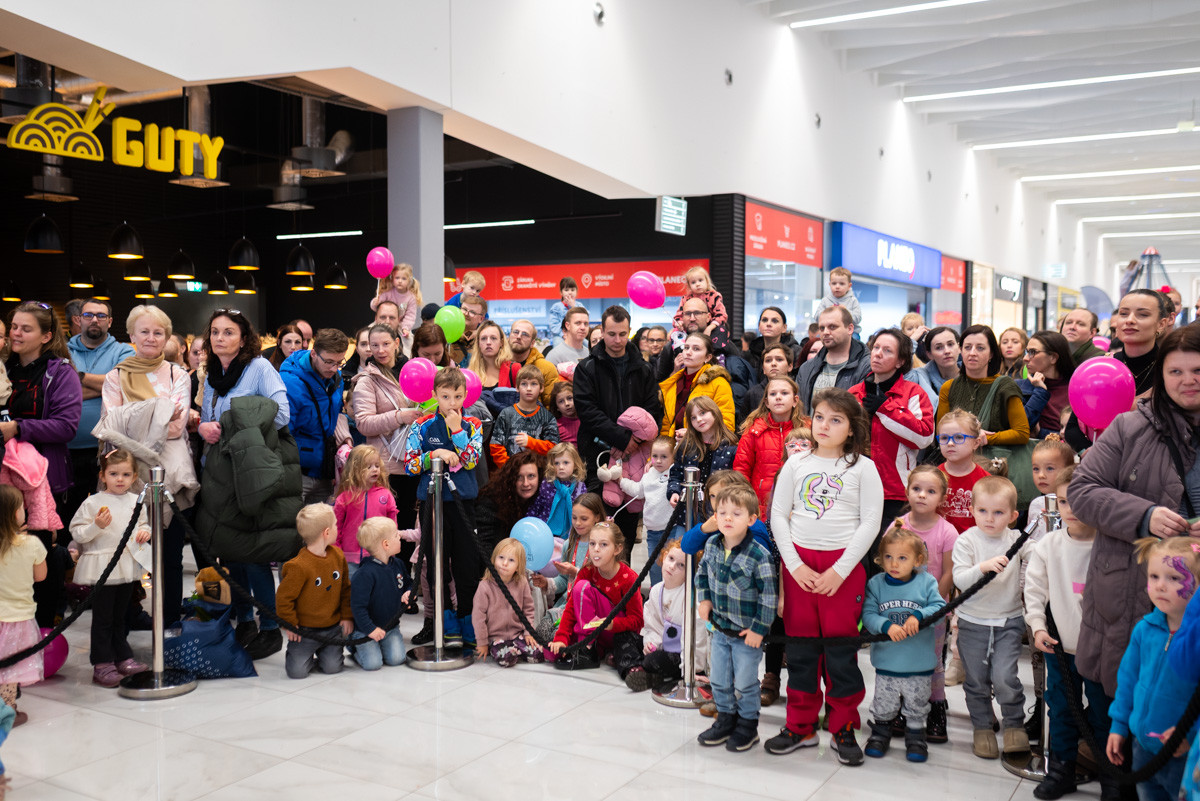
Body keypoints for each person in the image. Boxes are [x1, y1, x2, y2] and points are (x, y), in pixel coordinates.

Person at [1070, 324, 1200, 701]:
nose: (1188, 380)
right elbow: (1082, 490)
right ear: (1161, 375)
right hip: (1131, 593)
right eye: (1176, 371)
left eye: (1197, 370)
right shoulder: (1130, 427)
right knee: (1127, 709)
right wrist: (1145, 516)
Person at [768, 388, 882, 764]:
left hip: (842, 568)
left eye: (835, 420)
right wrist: (794, 565)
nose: (824, 425)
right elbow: (778, 515)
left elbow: (870, 523)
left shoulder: (863, 468)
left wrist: (839, 571)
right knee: (801, 650)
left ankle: (843, 726)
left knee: (840, 652)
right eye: (819, 417)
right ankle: (800, 725)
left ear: (851, 428)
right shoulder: (796, 464)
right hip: (798, 564)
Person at [195, 308, 293, 660]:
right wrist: (203, 427)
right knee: (230, 551)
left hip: (249, 473)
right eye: (215, 332)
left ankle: (270, 628)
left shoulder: (259, 368)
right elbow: (208, 420)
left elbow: (282, 414)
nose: (220, 338)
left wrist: (235, 424)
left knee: (254, 553)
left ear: (244, 338)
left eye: (228, 332)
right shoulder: (211, 374)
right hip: (218, 473)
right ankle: (244, 621)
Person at [98, 304, 198, 628]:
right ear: (131, 335)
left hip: (170, 478)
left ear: (166, 337)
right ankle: (124, 623)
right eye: (144, 331)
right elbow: (110, 426)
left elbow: (176, 427)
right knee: (127, 552)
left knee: (169, 556)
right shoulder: (115, 377)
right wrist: (157, 413)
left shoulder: (177, 375)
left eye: (158, 332)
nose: (151, 338)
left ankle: (169, 623)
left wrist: (134, 418)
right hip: (126, 476)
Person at [1023, 465, 1115, 801]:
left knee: (1105, 712)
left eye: (1079, 499)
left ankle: (1112, 776)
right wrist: (1037, 626)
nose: (1071, 508)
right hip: (1060, 647)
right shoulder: (1049, 545)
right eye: (1063, 501)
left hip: (1101, 649)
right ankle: (1061, 769)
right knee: (1061, 708)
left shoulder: (1110, 545)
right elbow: (1034, 589)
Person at [2, 301, 82, 627]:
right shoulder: (3, 367)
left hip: (42, 480)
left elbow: (66, 426)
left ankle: (43, 629)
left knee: (40, 557)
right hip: (4, 476)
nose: (16, 334)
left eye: (26, 329)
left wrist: (18, 428)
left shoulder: (60, 373)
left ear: (46, 336)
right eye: (13, 327)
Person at [1106, 536, 1200, 801]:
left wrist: (1191, 735)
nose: (1160, 585)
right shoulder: (1144, 629)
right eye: (1154, 576)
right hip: (1143, 746)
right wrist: (1118, 725)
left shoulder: (1195, 644)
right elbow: (1128, 681)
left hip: (1184, 752)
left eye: (1175, 578)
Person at [403, 366, 484, 648]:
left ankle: (467, 620)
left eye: (457, 396)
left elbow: (471, 461)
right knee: (436, 566)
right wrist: (434, 454)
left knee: (466, 565)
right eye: (446, 396)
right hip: (432, 504)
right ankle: (445, 621)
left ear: (466, 396)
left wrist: (457, 430)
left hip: (463, 505)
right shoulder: (422, 425)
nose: (452, 402)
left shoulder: (473, 423)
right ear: (434, 394)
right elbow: (411, 465)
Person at [951, 475, 1029, 759]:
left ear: (1013, 516)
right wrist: (982, 567)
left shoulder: (1017, 540)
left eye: (998, 512)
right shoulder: (966, 541)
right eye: (982, 510)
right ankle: (982, 726)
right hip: (972, 622)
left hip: (1009, 621)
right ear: (972, 510)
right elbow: (960, 578)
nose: (989, 518)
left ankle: (1014, 724)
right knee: (976, 680)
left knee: (1005, 677)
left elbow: (1041, 554)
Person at [695, 485, 777, 752]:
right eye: (722, 513)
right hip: (720, 630)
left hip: (746, 635)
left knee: (745, 682)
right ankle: (726, 718)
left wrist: (759, 629)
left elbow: (768, 596)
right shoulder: (712, 545)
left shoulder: (759, 555)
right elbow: (702, 574)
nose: (728, 518)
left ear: (751, 519)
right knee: (718, 679)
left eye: (736, 513)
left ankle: (748, 725)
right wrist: (704, 599)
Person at [574, 305, 663, 547]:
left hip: (635, 458)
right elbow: (587, 411)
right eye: (611, 334)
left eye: (623, 334)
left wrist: (636, 441)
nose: (617, 340)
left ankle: (626, 573)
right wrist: (623, 439)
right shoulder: (587, 367)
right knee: (598, 530)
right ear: (602, 331)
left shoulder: (643, 368)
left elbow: (653, 410)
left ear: (629, 331)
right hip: (598, 456)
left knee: (626, 533)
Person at [849, 328, 934, 566]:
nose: (878, 354)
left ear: (900, 361)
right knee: (856, 561)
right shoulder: (853, 393)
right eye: (876, 348)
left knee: (889, 561)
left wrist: (885, 409)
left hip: (895, 493)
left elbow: (924, 436)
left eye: (887, 351)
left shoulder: (913, 393)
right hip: (854, 490)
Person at [861, 524, 946, 763]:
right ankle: (880, 733)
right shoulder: (876, 584)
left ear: (917, 560)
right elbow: (868, 614)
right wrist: (885, 626)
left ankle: (916, 736)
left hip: (918, 663)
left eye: (902, 558)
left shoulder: (927, 582)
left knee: (917, 704)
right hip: (887, 662)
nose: (894, 564)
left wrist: (919, 616)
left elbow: (940, 608)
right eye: (888, 557)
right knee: (883, 702)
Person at [68, 449, 151, 687]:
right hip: (103, 568)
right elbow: (77, 533)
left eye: (126, 474)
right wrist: (96, 525)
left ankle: (122, 656)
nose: (120, 479)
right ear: (102, 476)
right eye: (114, 474)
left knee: (120, 615)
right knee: (103, 618)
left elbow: (142, 524)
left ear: (134, 476)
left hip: (126, 566)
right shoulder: (92, 502)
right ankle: (102, 662)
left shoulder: (136, 502)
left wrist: (144, 532)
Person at [897, 465, 958, 743]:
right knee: (900, 659)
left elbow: (948, 572)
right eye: (917, 489)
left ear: (942, 498)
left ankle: (936, 708)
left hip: (933, 612)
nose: (922, 495)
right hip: (899, 610)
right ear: (907, 492)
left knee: (933, 663)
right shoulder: (898, 527)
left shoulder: (947, 532)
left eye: (930, 491)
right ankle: (900, 705)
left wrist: (933, 608)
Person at [65, 297, 134, 522]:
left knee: (107, 517)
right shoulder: (62, 351)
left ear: (110, 321)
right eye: (88, 315)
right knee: (68, 515)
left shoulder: (123, 351)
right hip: (67, 447)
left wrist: (77, 376)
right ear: (79, 319)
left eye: (101, 315)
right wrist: (105, 385)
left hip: (107, 450)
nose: (95, 320)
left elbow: (122, 384)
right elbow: (57, 393)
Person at [351, 323, 422, 536]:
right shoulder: (367, 380)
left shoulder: (414, 371)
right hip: (386, 466)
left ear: (397, 343)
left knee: (412, 527)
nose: (380, 350)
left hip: (415, 459)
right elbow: (363, 423)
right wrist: (399, 416)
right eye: (374, 345)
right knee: (388, 529)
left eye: (386, 344)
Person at [276, 504, 353, 680]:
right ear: (327, 532)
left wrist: (347, 616)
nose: (337, 528)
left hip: (332, 628)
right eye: (335, 525)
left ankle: (323, 654)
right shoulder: (298, 566)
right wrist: (290, 623)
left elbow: (345, 589)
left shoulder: (338, 555)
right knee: (297, 673)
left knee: (333, 668)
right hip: (305, 631)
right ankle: (300, 655)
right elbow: (283, 598)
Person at [625, 540, 708, 692]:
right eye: (671, 559)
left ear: (690, 573)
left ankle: (647, 670)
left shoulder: (691, 595)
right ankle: (634, 669)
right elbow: (653, 624)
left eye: (681, 565)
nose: (672, 566)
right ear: (664, 556)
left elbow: (697, 636)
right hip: (662, 647)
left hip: (682, 657)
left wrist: (692, 669)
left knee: (654, 660)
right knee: (624, 637)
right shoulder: (656, 590)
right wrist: (651, 643)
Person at [281, 327, 351, 504]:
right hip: (297, 471)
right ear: (313, 354)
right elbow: (283, 432)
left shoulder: (336, 378)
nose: (334, 368)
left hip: (325, 468)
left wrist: (343, 438)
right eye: (329, 362)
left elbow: (336, 414)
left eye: (339, 362)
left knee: (322, 521)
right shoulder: (290, 382)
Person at [935, 324, 1030, 446]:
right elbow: (941, 432)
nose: (972, 353)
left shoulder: (1005, 386)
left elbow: (1022, 433)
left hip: (993, 456)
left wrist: (986, 438)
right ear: (961, 351)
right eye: (967, 347)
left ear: (991, 354)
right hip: (955, 455)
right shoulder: (949, 387)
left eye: (980, 348)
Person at [0, 485, 46, 726]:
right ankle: (7, 712)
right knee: (9, 670)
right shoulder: (31, 544)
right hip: (18, 619)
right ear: (16, 513)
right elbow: (40, 576)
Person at [734, 376, 805, 516]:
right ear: (766, 402)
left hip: (797, 503)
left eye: (784, 393)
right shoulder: (754, 431)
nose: (778, 397)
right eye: (773, 394)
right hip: (760, 506)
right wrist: (746, 502)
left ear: (795, 400)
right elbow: (741, 469)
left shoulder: (806, 430)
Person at [348, 516, 412, 671]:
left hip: (390, 627)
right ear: (386, 544)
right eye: (396, 535)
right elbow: (357, 607)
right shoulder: (364, 574)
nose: (400, 538)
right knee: (373, 664)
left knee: (397, 659)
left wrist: (409, 592)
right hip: (365, 630)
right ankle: (354, 647)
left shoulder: (398, 564)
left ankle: (378, 646)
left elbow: (409, 583)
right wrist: (370, 630)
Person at [472, 538, 544, 667]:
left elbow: (528, 610)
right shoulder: (485, 586)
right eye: (501, 557)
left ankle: (516, 650)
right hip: (496, 638)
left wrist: (529, 633)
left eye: (511, 560)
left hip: (517, 635)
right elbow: (478, 617)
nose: (504, 563)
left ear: (518, 566)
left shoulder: (522, 583)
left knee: (538, 654)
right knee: (506, 659)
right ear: (494, 559)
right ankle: (509, 652)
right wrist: (482, 642)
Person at [333, 445, 399, 573]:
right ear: (355, 469)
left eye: (377, 466)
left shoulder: (386, 495)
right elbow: (336, 527)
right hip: (350, 558)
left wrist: (391, 549)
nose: (375, 470)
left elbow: (393, 525)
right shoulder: (345, 497)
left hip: (379, 555)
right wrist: (337, 551)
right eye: (368, 467)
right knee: (352, 586)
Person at [618, 436, 674, 585]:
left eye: (664, 456)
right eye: (655, 456)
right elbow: (638, 490)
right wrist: (621, 481)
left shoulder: (675, 472)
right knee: (654, 568)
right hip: (653, 532)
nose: (659, 460)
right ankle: (655, 593)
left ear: (673, 457)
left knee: (672, 567)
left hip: (671, 530)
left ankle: (670, 593)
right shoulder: (649, 475)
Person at [795, 306, 870, 415]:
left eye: (832, 327)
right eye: (822, 328)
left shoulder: (867, 368)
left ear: (850, 329)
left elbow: (864, 415)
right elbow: (798, 411)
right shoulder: (807, 368)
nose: (825, 332)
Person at [659, 332, 735, 437]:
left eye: (696, 349)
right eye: (686, 348)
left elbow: (727, 425)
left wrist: (691, 436)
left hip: (704, 445)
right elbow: (667, 425)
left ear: (707, 357)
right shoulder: (674, 382)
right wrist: (665, 444)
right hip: (674, 445)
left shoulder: (718, 383)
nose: (688, 352)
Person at [489, 364, 559, 468]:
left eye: (534, 384)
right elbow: (496, 446)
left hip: (539, 472)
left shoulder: (547, 417)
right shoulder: (506, 414)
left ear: (541, 388)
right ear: (517, 387)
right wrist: (509, 468)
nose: (529, 388)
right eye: (524, 384)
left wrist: (530, 442)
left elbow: (553, 448)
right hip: (510, 471)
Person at [936, 410, 992, 534]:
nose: (950, 443)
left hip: (974, 543)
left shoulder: (986, 481)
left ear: (976, 443)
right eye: (944, 438)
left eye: (958, 437)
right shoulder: (932, 477)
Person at [1017, 331, 1075, 437]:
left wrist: (1042, 433)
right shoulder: (1018, 387)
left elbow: (1080, 435)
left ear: (1053, 357)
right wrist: (1040, 391)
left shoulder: (1074, 388)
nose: (1025, 358)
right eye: (1026, 352)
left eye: (1033, 352)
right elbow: (1020, 427)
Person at [527, 442, 587, 539]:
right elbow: (536, 506)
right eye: (556, 463)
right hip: (544, 532)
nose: (561, 467)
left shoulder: (580, 487)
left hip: (570, 536)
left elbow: (585, 511)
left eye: (566, 463)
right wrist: (529, 525)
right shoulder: (547, 483)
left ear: (575, 465)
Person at [507, 319, 558, 405]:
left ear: (532, 343)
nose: (519, 336)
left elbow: (551, 405)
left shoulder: (546, 368)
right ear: (509, 337)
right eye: (516, 332)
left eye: (525, 334)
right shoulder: (497, 364)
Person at [370, 261, 421, 347]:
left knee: (408, 340)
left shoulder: (411, 298)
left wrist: (406, 328)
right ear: (392, 279)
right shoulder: (387, 293)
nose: (400, 281)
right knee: (368, 333)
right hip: (381, 323)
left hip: (400, 325)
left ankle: (409, 353)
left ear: (409, 281)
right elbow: (376, 308)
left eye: (403, 279)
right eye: (397, 278)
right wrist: (374, 303)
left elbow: (410, 315)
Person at [671, 265, 728, 341]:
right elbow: (678, 316)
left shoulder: (714, 296)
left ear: (707, 281)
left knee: (721, 330)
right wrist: (679, 323)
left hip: (713, 328)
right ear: (689, 286)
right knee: (675, 332)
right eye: (693, 282)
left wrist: (710, 328)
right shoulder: (685, 298)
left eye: (700, 280)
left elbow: (721, 315)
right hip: (691, 330)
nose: (697, 284)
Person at [912, 327, 961, 414]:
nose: (947, 351)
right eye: (939, 347)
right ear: (929, 354)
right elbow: (901, 371)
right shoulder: (921, 377)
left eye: (950, 344)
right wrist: (911, 342)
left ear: (959, 348)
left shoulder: (973, 374)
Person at [747, 306, 802, 375]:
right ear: (759, 326)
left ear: (784, 328)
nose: (768, 324)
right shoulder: (751, 352)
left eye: (775, 321)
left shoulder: (796, 352)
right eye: (764, 320)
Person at [745, 343, 795, 412]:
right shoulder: (752, 394)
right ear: (763, 369)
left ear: (790, 366)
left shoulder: (798, 391)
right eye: (768, 360)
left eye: (779, 359)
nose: (773, 364)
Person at [548, 277, 584, 347]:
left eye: (572, 290)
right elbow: (553, 326)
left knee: (587, 345)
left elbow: (584, 319)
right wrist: (563, 334)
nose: (570, 292)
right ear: (561, 292)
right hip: (560, 336)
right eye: (566, 290)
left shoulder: (579, 305)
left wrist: (574, 307)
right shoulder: (556, 307)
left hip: (577, 335)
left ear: (576, 292)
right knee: (559, 346)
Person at [549, 381, 578, 446]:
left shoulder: (586, 419)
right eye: (561, 401)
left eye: (569, 398)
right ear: (557, 407)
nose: (567, 404)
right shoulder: (555, 427)